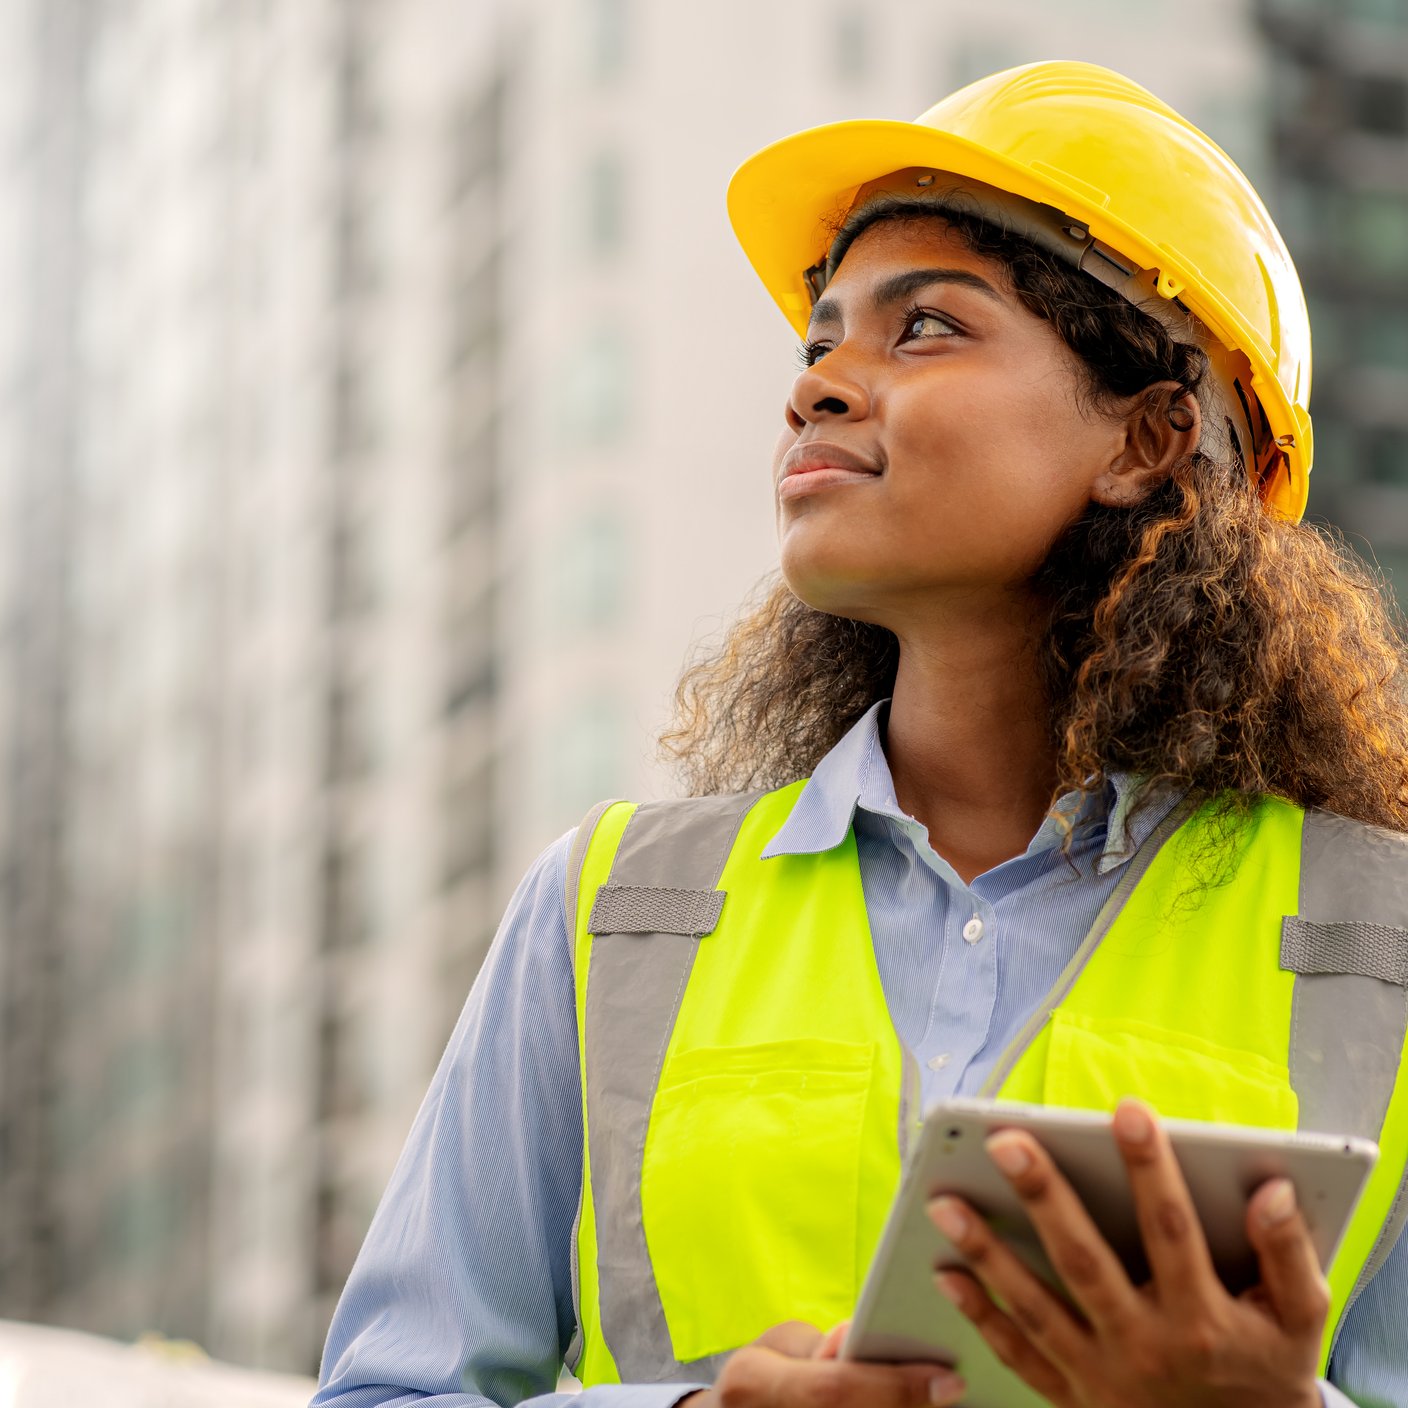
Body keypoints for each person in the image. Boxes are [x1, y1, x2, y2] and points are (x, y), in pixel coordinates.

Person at [311, 62, 1408, 1408]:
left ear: (1150, 435)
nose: (819, 386)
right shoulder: (611, 918)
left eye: (926, 327)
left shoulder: (1386, 947)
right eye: (819, 340)